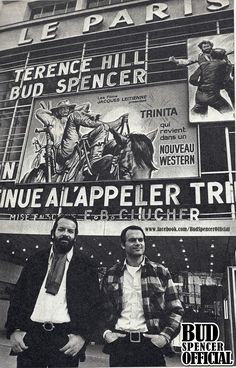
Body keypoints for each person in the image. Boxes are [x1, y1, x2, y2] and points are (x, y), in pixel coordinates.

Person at [5, 214, 102, 368]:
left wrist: (83, 337)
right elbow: (18, 296)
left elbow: (95, 305)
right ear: (53, 232)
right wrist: (13, 330)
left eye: (71, 231)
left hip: (65, 339)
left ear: (75, 236)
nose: (66, 234)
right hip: (31, 336)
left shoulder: (86, 266)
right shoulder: (36, 259)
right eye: (61, 229)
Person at [101, 225, 184, 367]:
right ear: (123, 245)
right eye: (132, 240)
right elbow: (99, 309)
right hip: (120, 343)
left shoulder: (160, 272)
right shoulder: (111, 274)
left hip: (151, 343)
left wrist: (164, 337)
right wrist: (107, 333)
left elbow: (176, 310)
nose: (138, 243)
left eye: (141, 239)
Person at [169, 40, 234, 107]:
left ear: (211, 46)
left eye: (208, 46)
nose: (206, 48)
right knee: (208, 98)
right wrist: (175, 61)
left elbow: (231, 50)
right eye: (204, 47)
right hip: (211, 82)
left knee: (233, 92)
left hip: (223, 78)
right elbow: (188, 61)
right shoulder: (199, 56)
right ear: (201, 48)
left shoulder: (219, 52)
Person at [189, 48, 233, 116]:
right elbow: (225, 82)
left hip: (199, 95)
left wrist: (201, 84)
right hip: (213, 96)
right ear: (224, 56)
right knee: (229, 113)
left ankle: (196, 110)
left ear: (211, 56)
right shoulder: (227, 65)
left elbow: (192, 80)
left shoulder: (203, 65)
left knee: (201, 116)